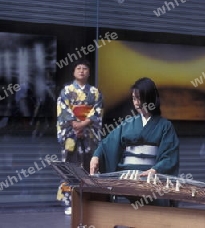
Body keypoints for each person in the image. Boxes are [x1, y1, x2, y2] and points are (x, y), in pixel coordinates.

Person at [90, 77, 179, 206]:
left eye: (139, 98)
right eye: (133, 98)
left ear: (150, 98)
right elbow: (107, 143)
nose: (136, 103)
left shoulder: (165, 126)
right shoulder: (127, 123)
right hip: (126, 176)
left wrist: (155, 169)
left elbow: (170, 155)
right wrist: (96, 156)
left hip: (150, 176)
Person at [56, 59, 103, 215]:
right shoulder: (66, 90)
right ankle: (69, 201)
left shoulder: (95, 92)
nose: (82, 70)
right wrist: (75, 125)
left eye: (85, 68)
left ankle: (89, 199)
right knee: (69, 165)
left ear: (89, 72)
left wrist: (83, 124)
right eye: (78, 68)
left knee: (90, 165)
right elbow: (62, 109)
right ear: (74, 72)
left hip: (88, 132)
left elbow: (97, 111)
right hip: (70, 132)